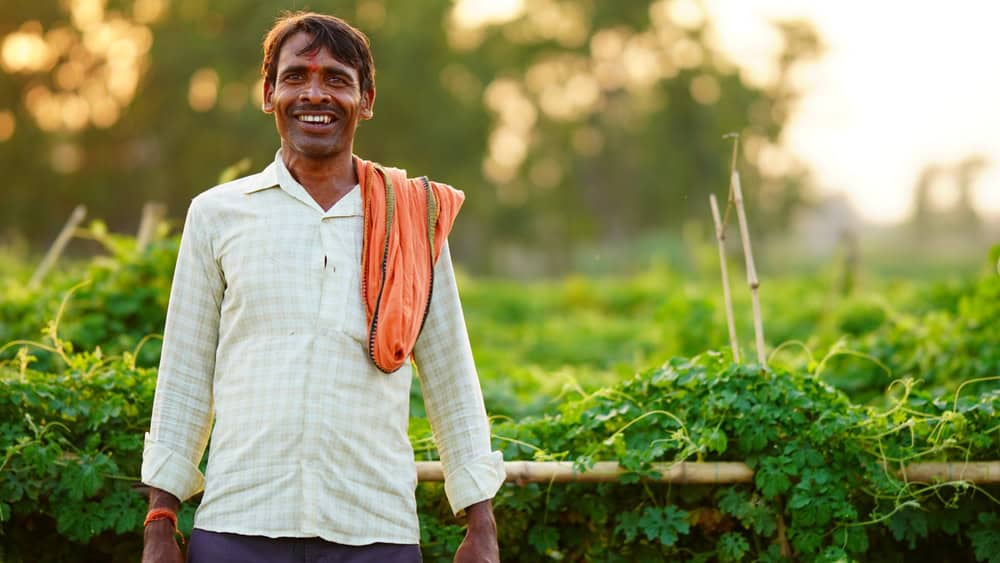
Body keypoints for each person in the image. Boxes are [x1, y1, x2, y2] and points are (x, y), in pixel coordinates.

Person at [140, 11, 504, 563]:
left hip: (374, 529)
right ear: (269, 93)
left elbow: (452, 375)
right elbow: (185, 374)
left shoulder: (411, 219)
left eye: (337, 79)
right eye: (296, 77)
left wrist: (481, 526)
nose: (316, 93)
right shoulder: (217, 215)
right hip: (239, 524)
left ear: (367, 99)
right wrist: (160, 524)